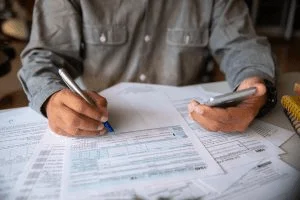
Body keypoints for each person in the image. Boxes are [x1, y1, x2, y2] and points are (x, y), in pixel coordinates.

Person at [18, 0, 277, 137]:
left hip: (189, 126)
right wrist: (51, 97)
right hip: (99, 118)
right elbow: (43, 56)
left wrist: (252, 90)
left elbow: (242, 45)